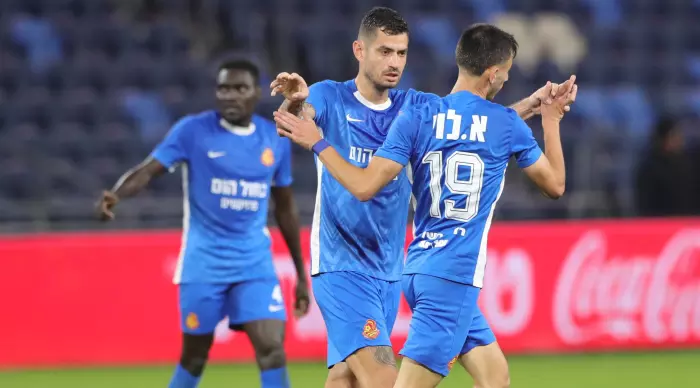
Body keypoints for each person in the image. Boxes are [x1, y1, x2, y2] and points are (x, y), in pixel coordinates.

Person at [270, 7, 575, 388]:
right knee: (382, 378)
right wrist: (294, 103)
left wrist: (528, 107)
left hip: (391, 267)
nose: (394, 61)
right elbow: (292, 119)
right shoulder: (329, 96)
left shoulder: (414, 106)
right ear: (359, 51)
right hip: (342, 265)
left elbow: (473, 129)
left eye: (401, 53)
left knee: (347, 379)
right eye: (384, 51)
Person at [96, 59, 309, 388]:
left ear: (256, 94)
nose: (230, 96)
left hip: (254, 264)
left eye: (239, 88)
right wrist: (117, 194)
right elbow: (148, 169)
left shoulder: (274, 138)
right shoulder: (192, 131)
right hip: (203, 265)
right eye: (224, 88)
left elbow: (286, 210)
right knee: (194, 358)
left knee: (272, 349)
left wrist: (300, 275)